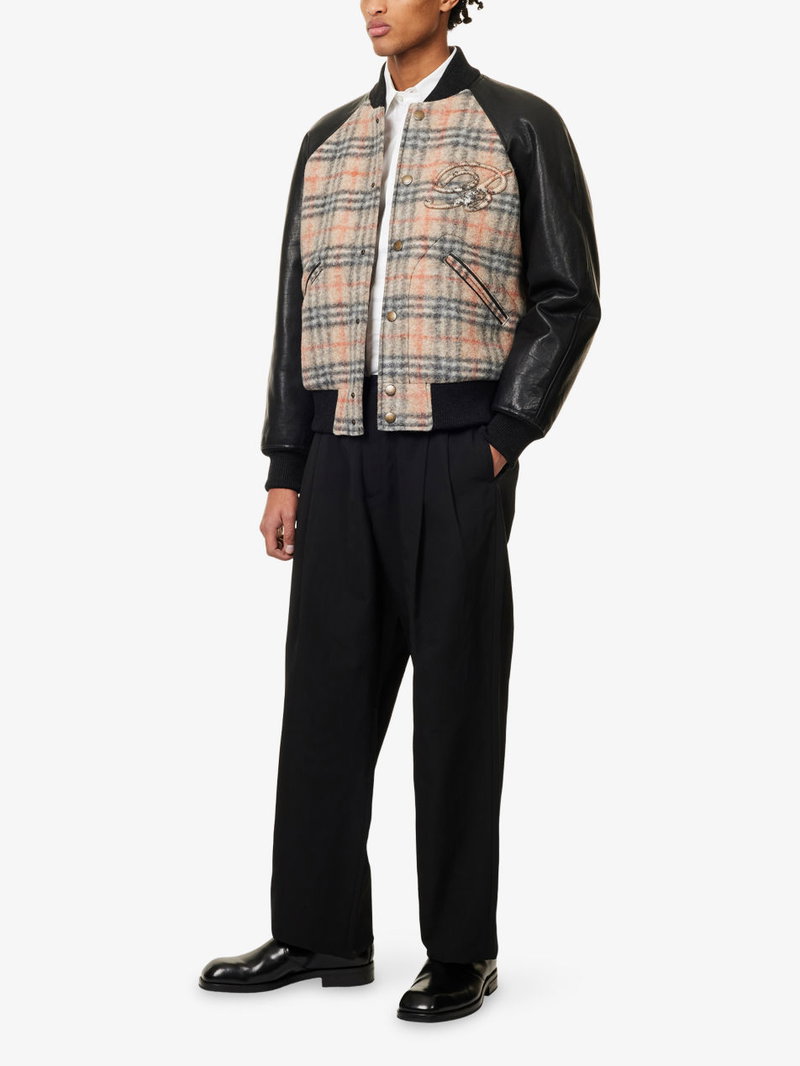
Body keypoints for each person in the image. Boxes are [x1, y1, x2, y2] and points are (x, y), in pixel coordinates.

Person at [199, 0, 600, 1023]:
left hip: (455, 454)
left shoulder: (518, 125)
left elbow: (566, 295)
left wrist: (502, 434)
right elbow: (295, 311)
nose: (371, 4)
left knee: (456, 707)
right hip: (338, 457)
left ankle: (460, 951)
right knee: (322, 700)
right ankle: (317, 931)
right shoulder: (326, 142)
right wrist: (285, 465)